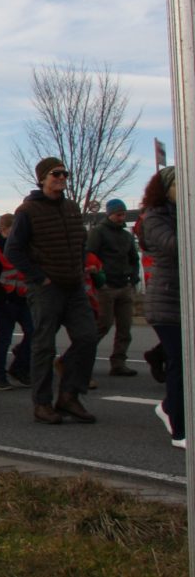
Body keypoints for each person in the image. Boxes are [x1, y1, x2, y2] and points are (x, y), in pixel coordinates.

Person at [5, 157, 98, 425]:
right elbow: (13, 250)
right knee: (44, 345)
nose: (61, 178)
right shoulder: (27, 211)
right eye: (55, 174)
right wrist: (39, 277)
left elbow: (80, 241)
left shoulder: (71, 207)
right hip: (46, 288)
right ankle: (42, 404)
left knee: (87, 337)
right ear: (42, 179)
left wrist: (79, 268)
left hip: (73, 286)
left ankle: (69, 396)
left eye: (64, 174)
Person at [141, 167, 185, 448]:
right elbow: (175, 246)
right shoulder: (155, 217)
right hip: (166, 301)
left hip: (185, 301)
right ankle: (179, 429)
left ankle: (169, 405)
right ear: (166, 188)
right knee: (181, 363)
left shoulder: (183, 213)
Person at [86, 198, 140, 377]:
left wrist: (133, 277)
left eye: (123, 214)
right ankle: (80, 358)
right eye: (118, 214)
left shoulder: (126, 236)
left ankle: (119, 363)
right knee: (103, 324)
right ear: (110, 214)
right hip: (106, 286)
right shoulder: (98, 232)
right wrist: (98, 279)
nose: (121, 217)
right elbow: (89, 255)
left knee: (125, 327)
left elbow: (134, 258)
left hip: (124, 285)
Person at [0, 213, 33, 391]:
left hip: (22, 299)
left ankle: (19, 367)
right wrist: (1, 299)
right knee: (4, 339)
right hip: (5, 303)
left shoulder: (23, 249)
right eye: (13, 229)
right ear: (3, 230)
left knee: (33, 333)